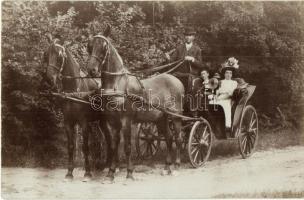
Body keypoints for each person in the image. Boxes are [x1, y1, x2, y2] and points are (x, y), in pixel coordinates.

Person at [165, 27, 203, 115]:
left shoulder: (197, 49)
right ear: (184, 37)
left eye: (190, 35)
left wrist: (192, 59)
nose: (188, 37)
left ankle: (190, 108)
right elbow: (172, 62)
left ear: (193, 37)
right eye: (186, 36)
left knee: (191, 84)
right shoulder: (179, 48)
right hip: (178, 74)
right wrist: (168, 58)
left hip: (190, 76)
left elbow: (201, 65)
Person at [210, 57, 239, 131]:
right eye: (227, 73)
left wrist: (219, 98)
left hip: (227, 99)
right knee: (210, 103)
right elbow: (218, 91)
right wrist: (216, 96)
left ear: (232, 75)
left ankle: (226, 125)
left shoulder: (234, 83)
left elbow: (230, 94)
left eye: (230, 73)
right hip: (219, 97)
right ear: (224, 74)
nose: (228, 74)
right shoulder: (221, 82)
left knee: (222, 105)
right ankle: (211, 122)